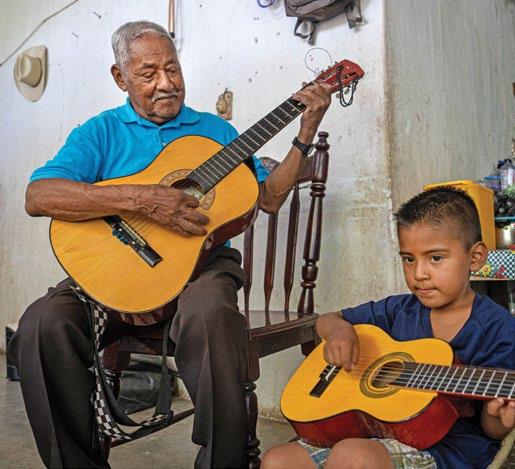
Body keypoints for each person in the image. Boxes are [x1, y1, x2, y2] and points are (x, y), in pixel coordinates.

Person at [8, 20, 331, 469]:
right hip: (120, 278)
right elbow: (39, 196)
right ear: (120, 77)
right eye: (148, 73)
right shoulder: (100, 132)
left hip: (202, 269)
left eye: (172, 69)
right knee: (42, 323)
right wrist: (141, 199)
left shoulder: (214, 131)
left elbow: (271, 198)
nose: (166, 83)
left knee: (212, 314)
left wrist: (306, 128)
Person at [262, 187, 515, 469]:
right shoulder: (398, 310)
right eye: (409, 259)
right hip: (373, 431)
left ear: (475, 257)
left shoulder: (499, 328)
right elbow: (328, 320)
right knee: (278, 460)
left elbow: (492, 430)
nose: (419, 274)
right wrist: (338, 331)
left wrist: (500, 414)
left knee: (352, 456)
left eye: (435, 258)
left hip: (446, 449)